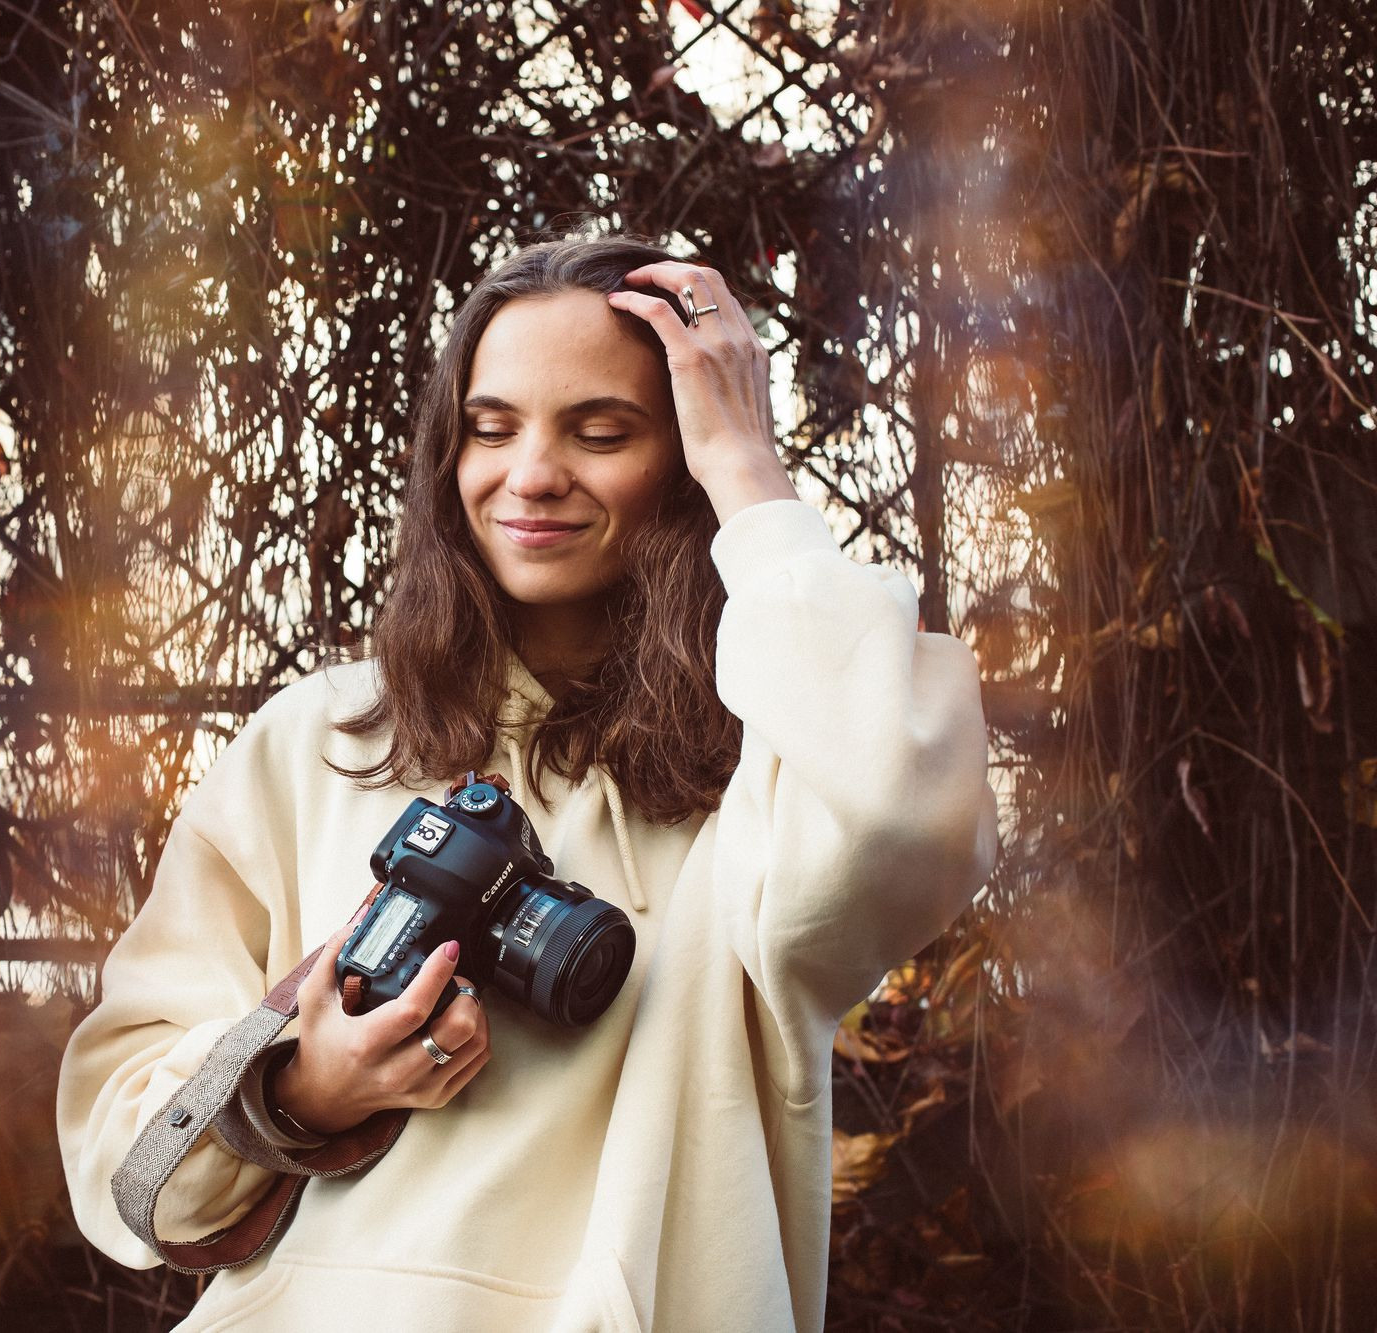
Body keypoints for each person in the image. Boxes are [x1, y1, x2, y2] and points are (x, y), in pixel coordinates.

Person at [54, 231, 1001, 1331]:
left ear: (685, 457)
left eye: (601, 432)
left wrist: (747, 466)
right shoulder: (321, 738)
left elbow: (896, 816)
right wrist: (308, 1086)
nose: (532, 474)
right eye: (489, 429)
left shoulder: (772, 758)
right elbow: (118, 1168)